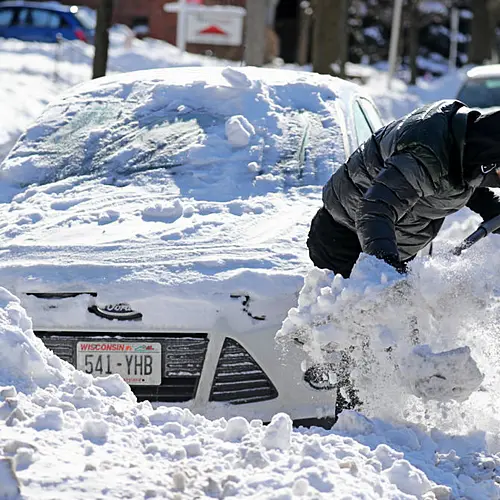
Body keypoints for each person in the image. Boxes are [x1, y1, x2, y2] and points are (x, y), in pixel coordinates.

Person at [307, 99, 500, 278]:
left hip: (396, 247)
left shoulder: (468, 143)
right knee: (349, 311)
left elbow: (460, 177)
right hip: (346, 243)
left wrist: (491, 207)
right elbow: (375, 210)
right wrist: (386, 267)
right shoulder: (423, 154)